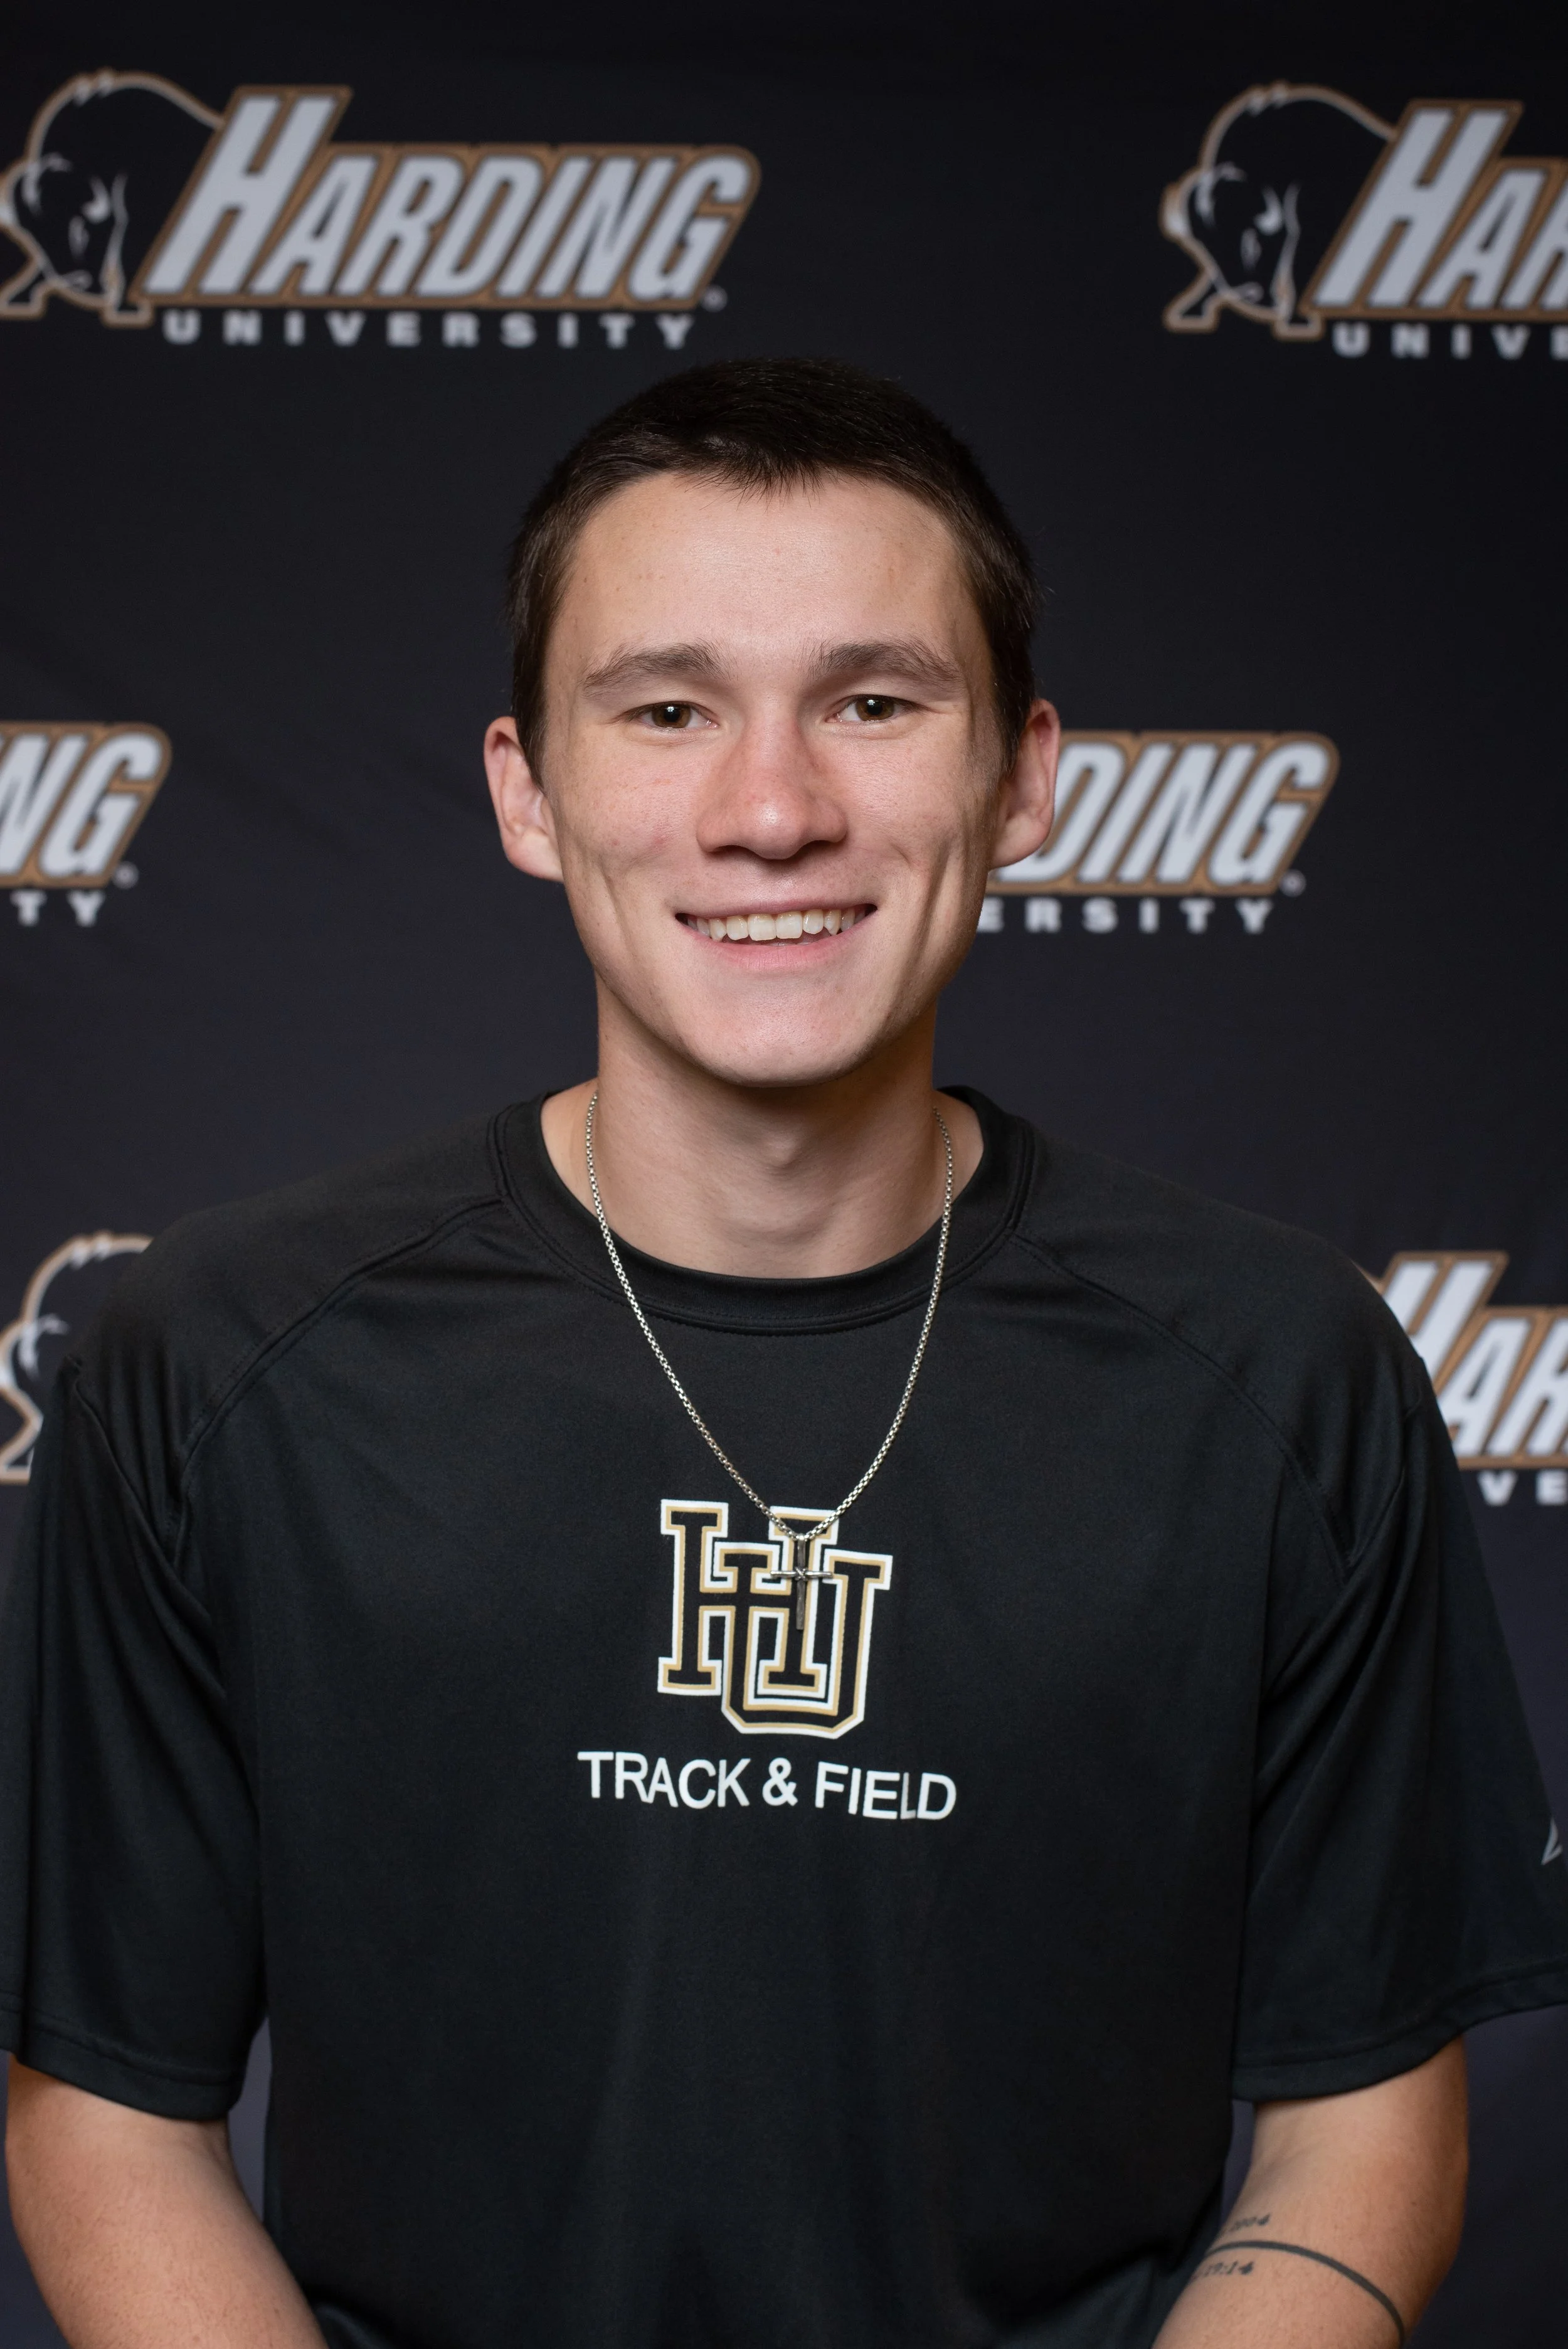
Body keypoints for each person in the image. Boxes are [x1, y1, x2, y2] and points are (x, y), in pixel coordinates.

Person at [3, 358, 1565, 2349]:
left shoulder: (1282, 1376)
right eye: (666, 709)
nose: (770, 812)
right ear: (525, 790)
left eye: (872, 703)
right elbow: (106, 2116)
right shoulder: (217, 1361)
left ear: (1021, 779)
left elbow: (1360, 2132)